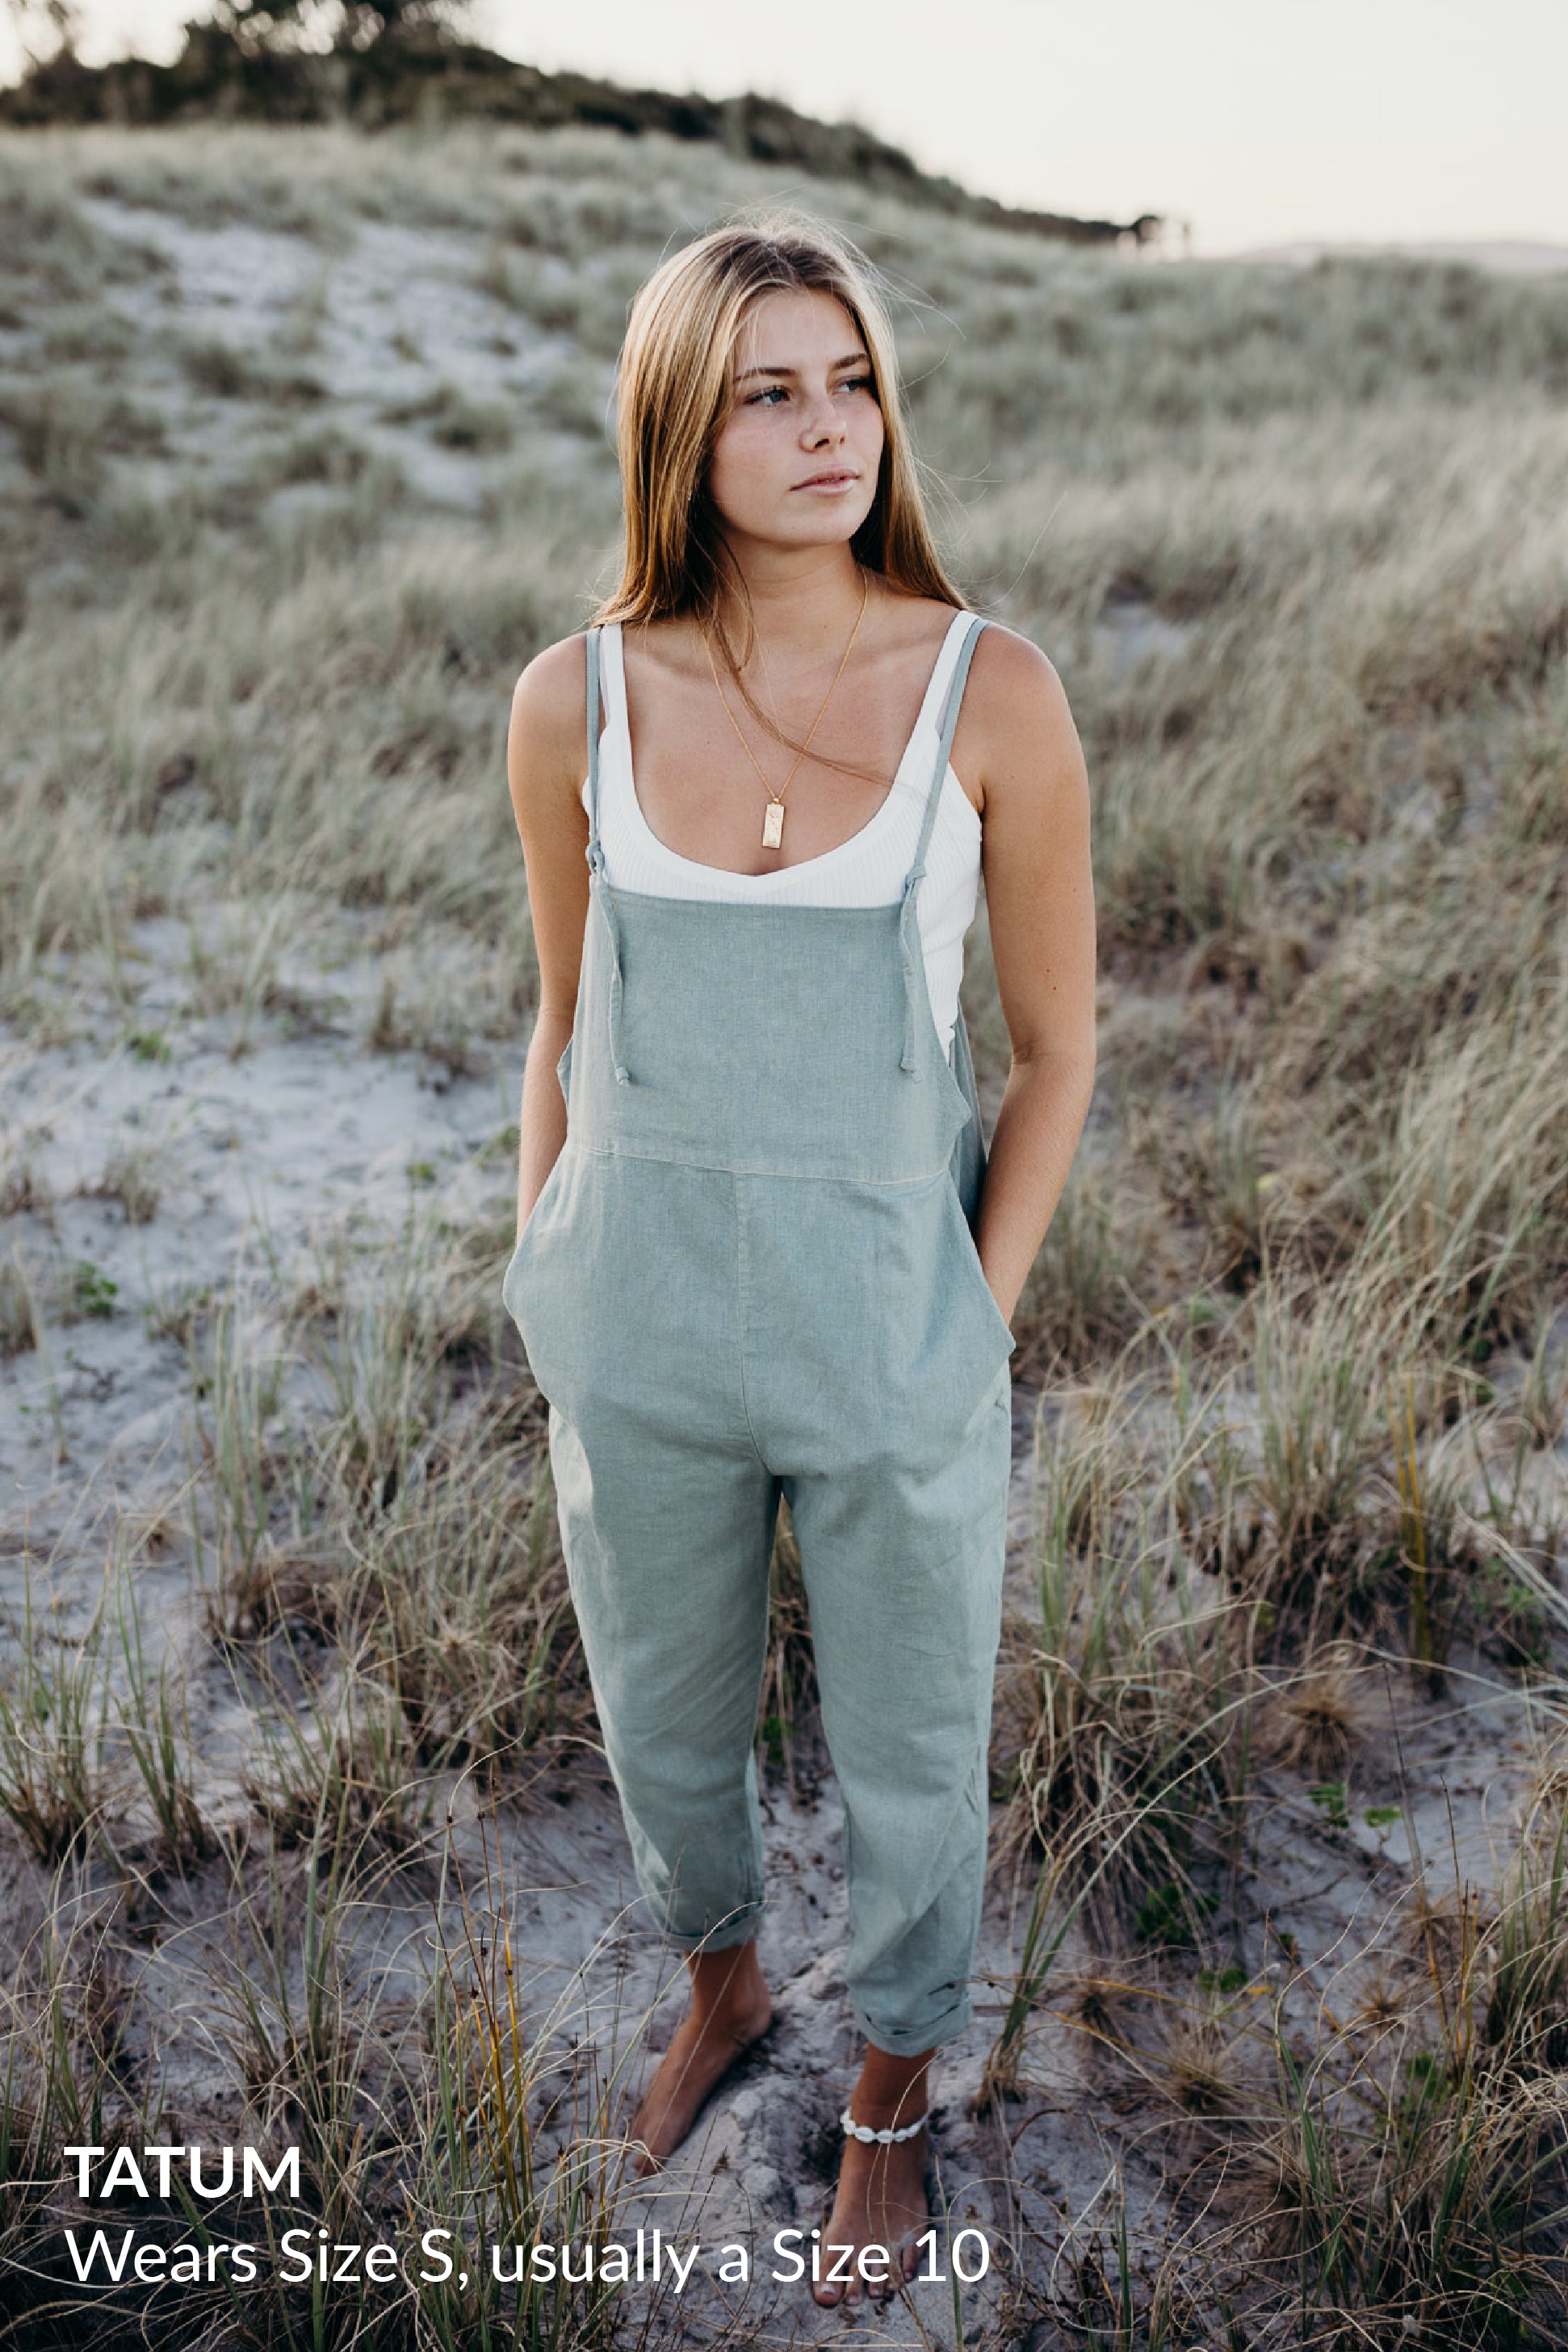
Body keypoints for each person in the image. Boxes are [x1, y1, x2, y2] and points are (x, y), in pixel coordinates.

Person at [503, 212, 1095, 2311]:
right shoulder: (571, 701)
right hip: (639, 1323)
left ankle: (887, 2100)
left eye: (852, 380)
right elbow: (567, 1021)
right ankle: (726, 1985)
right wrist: (547, 1259)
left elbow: (1060, 1048)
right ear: (683, 423)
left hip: (889, 1335)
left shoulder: (988, 690)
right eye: (771, 387)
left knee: (917, 1739)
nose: (829, 425)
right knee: (662, 1712)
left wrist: (974, 1315)